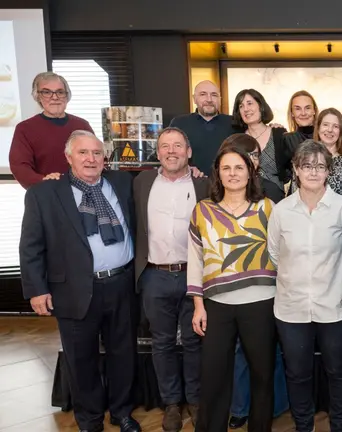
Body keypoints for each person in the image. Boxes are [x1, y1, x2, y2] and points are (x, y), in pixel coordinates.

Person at [20, 130, 139, 432]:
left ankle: (122, 413)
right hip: (72, 290)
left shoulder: (123, 184)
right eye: (83, 153)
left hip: (121, 284)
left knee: (123, 354)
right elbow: (31, 245)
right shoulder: (44, 193)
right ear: (68, 157)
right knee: (81, 359)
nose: (90, 159)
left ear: (105, 158)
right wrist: (37, 289)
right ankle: (90, 421)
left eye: (97, 153)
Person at [187, 136, 278, 432]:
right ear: (218, 173)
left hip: (261, 302)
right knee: (214, 376)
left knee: (262, 375)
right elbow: (196, 261)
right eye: (226, 168)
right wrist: (198, 305)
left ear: (250, 171)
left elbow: (282, 255)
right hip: (217, 306)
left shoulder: (267, 208)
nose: (233, 173)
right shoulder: (203, 211)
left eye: (239, 167)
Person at [268, 140, 342, 432]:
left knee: (339, 371)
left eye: (320, 165)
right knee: (298, 373)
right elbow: (275, 254)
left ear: (329, 171)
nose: (313, 172)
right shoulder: (281, 211)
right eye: (307, 165)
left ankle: (339, 425)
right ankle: (303, 426)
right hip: (291, 309)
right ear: (295, 169)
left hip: (334, 306)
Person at [133, 127, 209, 431]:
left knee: (194, 342)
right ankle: (172, 404)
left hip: (194, 276)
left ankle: (195, 400)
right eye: (165, 146)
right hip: (155, 276)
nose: (172, 151)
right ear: (158, 152)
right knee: (162, 344)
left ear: (189, 152)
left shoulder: (204, 184)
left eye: (178, 145)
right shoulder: (142, 182)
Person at [10, 72, 94, 189]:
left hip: (85, 193)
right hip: (47, 194)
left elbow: (96, 158)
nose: (55, 97)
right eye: (47, 92)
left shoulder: (82, 125)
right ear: (37, 96)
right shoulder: (25, 128)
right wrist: (43, 181)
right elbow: (19, 166)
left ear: (67, 95)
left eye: (60, 92)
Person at [232, 89, 291, 204]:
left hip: (275, 198)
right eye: (241, 106)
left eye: (250, 103)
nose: (246, 109)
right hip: (244, 200)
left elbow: (290, 169)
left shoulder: (278, 134)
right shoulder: (237, 139)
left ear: (261, 106)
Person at [169, 80, 239, 176]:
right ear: (194, 99)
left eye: (214, 95)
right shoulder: (179, 123)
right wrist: (186, 168)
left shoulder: (235, 123)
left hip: (227, 183)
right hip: (191, 183)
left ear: (220, 99)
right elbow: (170, 154)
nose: (209, 99)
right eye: (203, 94)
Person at [311, 108, 342, 199]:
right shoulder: (306, 157)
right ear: (318, 128)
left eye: (335, 126)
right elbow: (297, 190)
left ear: (341, 131)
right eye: (325, 125)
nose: (330, 130)